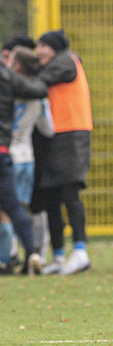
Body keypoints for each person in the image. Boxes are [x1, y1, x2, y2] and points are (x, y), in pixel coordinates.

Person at [30, 29, 93, 276]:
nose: (39, 51)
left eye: (43, 46)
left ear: (55, 47)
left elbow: (39, 83)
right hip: (54, 136)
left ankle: (80, 251)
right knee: (50, 197)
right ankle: (57, 255)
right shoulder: (56, 63)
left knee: (70, 193)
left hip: (72, 135)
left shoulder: (67, 61)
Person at [3, 46, 54, 270]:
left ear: (17, 65)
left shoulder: (9, 89)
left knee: (7, 211)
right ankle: (34, 253)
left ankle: (11, 254)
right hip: (27, 156)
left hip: (9, 151)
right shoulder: (38, 96)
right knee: (21, 208)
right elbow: (48, 130)